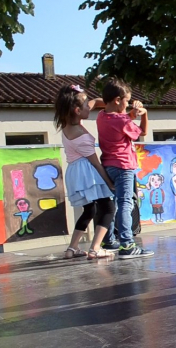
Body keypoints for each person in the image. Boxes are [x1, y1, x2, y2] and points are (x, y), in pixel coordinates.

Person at [54, 84, 116, 260]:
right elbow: (96, 164)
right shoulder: (80, 135)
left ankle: (72, 248)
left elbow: (95, 102)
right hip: (86, 172)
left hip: (74, 171)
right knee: (108, 208)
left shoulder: (68, 122)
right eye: (85, 104)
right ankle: (95, 248)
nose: (88, 105)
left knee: (89, 210)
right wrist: (109, 183)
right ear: (76, 109)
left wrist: (113, 105)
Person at [97, 78, 154, 259]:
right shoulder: (122, 121)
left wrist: (130, 113)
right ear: (117, 100)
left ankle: (109, 240)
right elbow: (142, 132)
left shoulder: (101, 116)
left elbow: (119, 119)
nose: (128, 104)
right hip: (124, 166)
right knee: (126, 203)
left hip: (108, 164)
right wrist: (144, 114)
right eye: (126, 100)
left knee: (112, 203)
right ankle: (127, 244)